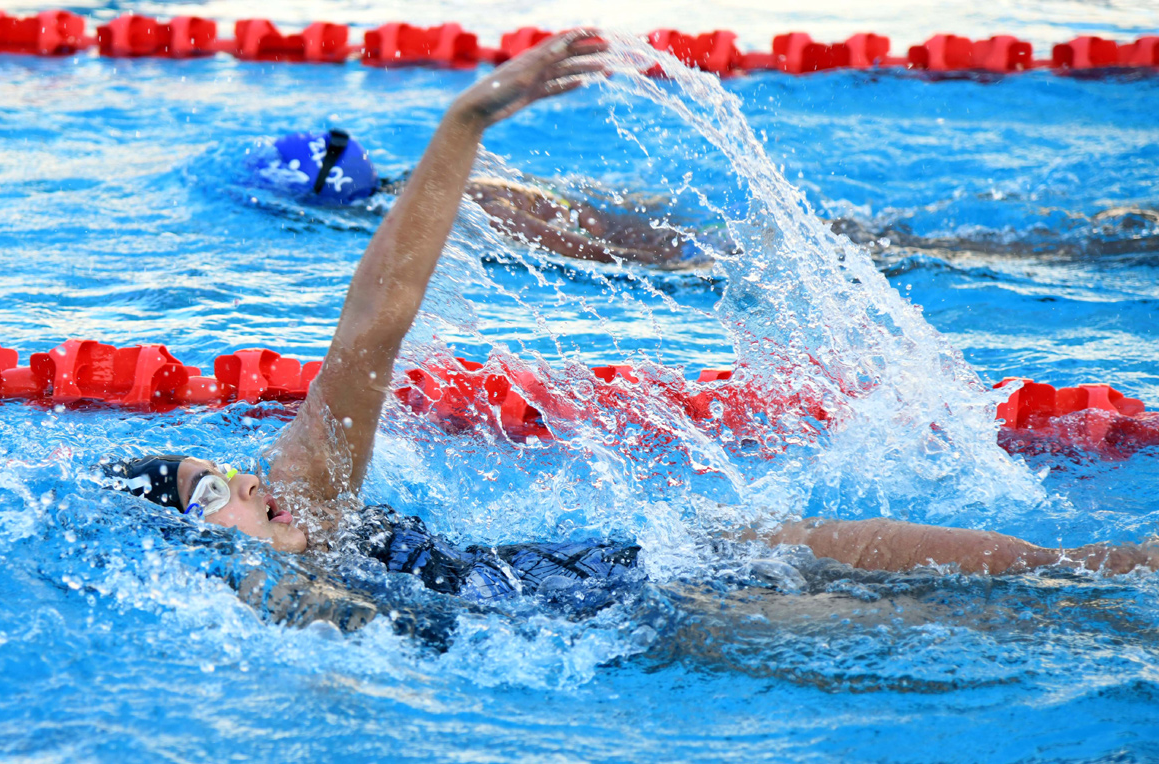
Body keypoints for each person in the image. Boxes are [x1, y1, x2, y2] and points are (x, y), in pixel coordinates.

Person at [105, 32, 1158, 612]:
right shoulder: (268, 613)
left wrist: (464, 120)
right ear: (181, 557)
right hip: (641, 634)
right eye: (211, 493)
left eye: (223, 466)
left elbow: (373, 325)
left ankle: (1126, 563)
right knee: (935, 624)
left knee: (817, 542)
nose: (242, 479)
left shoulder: (310, 505)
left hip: (607, 569)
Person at [254, 127, 716, 269]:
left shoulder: (430, 207)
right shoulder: (432, 173)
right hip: (618, 212)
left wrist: (646, 262)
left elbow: (511, 220)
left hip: (644, 242)